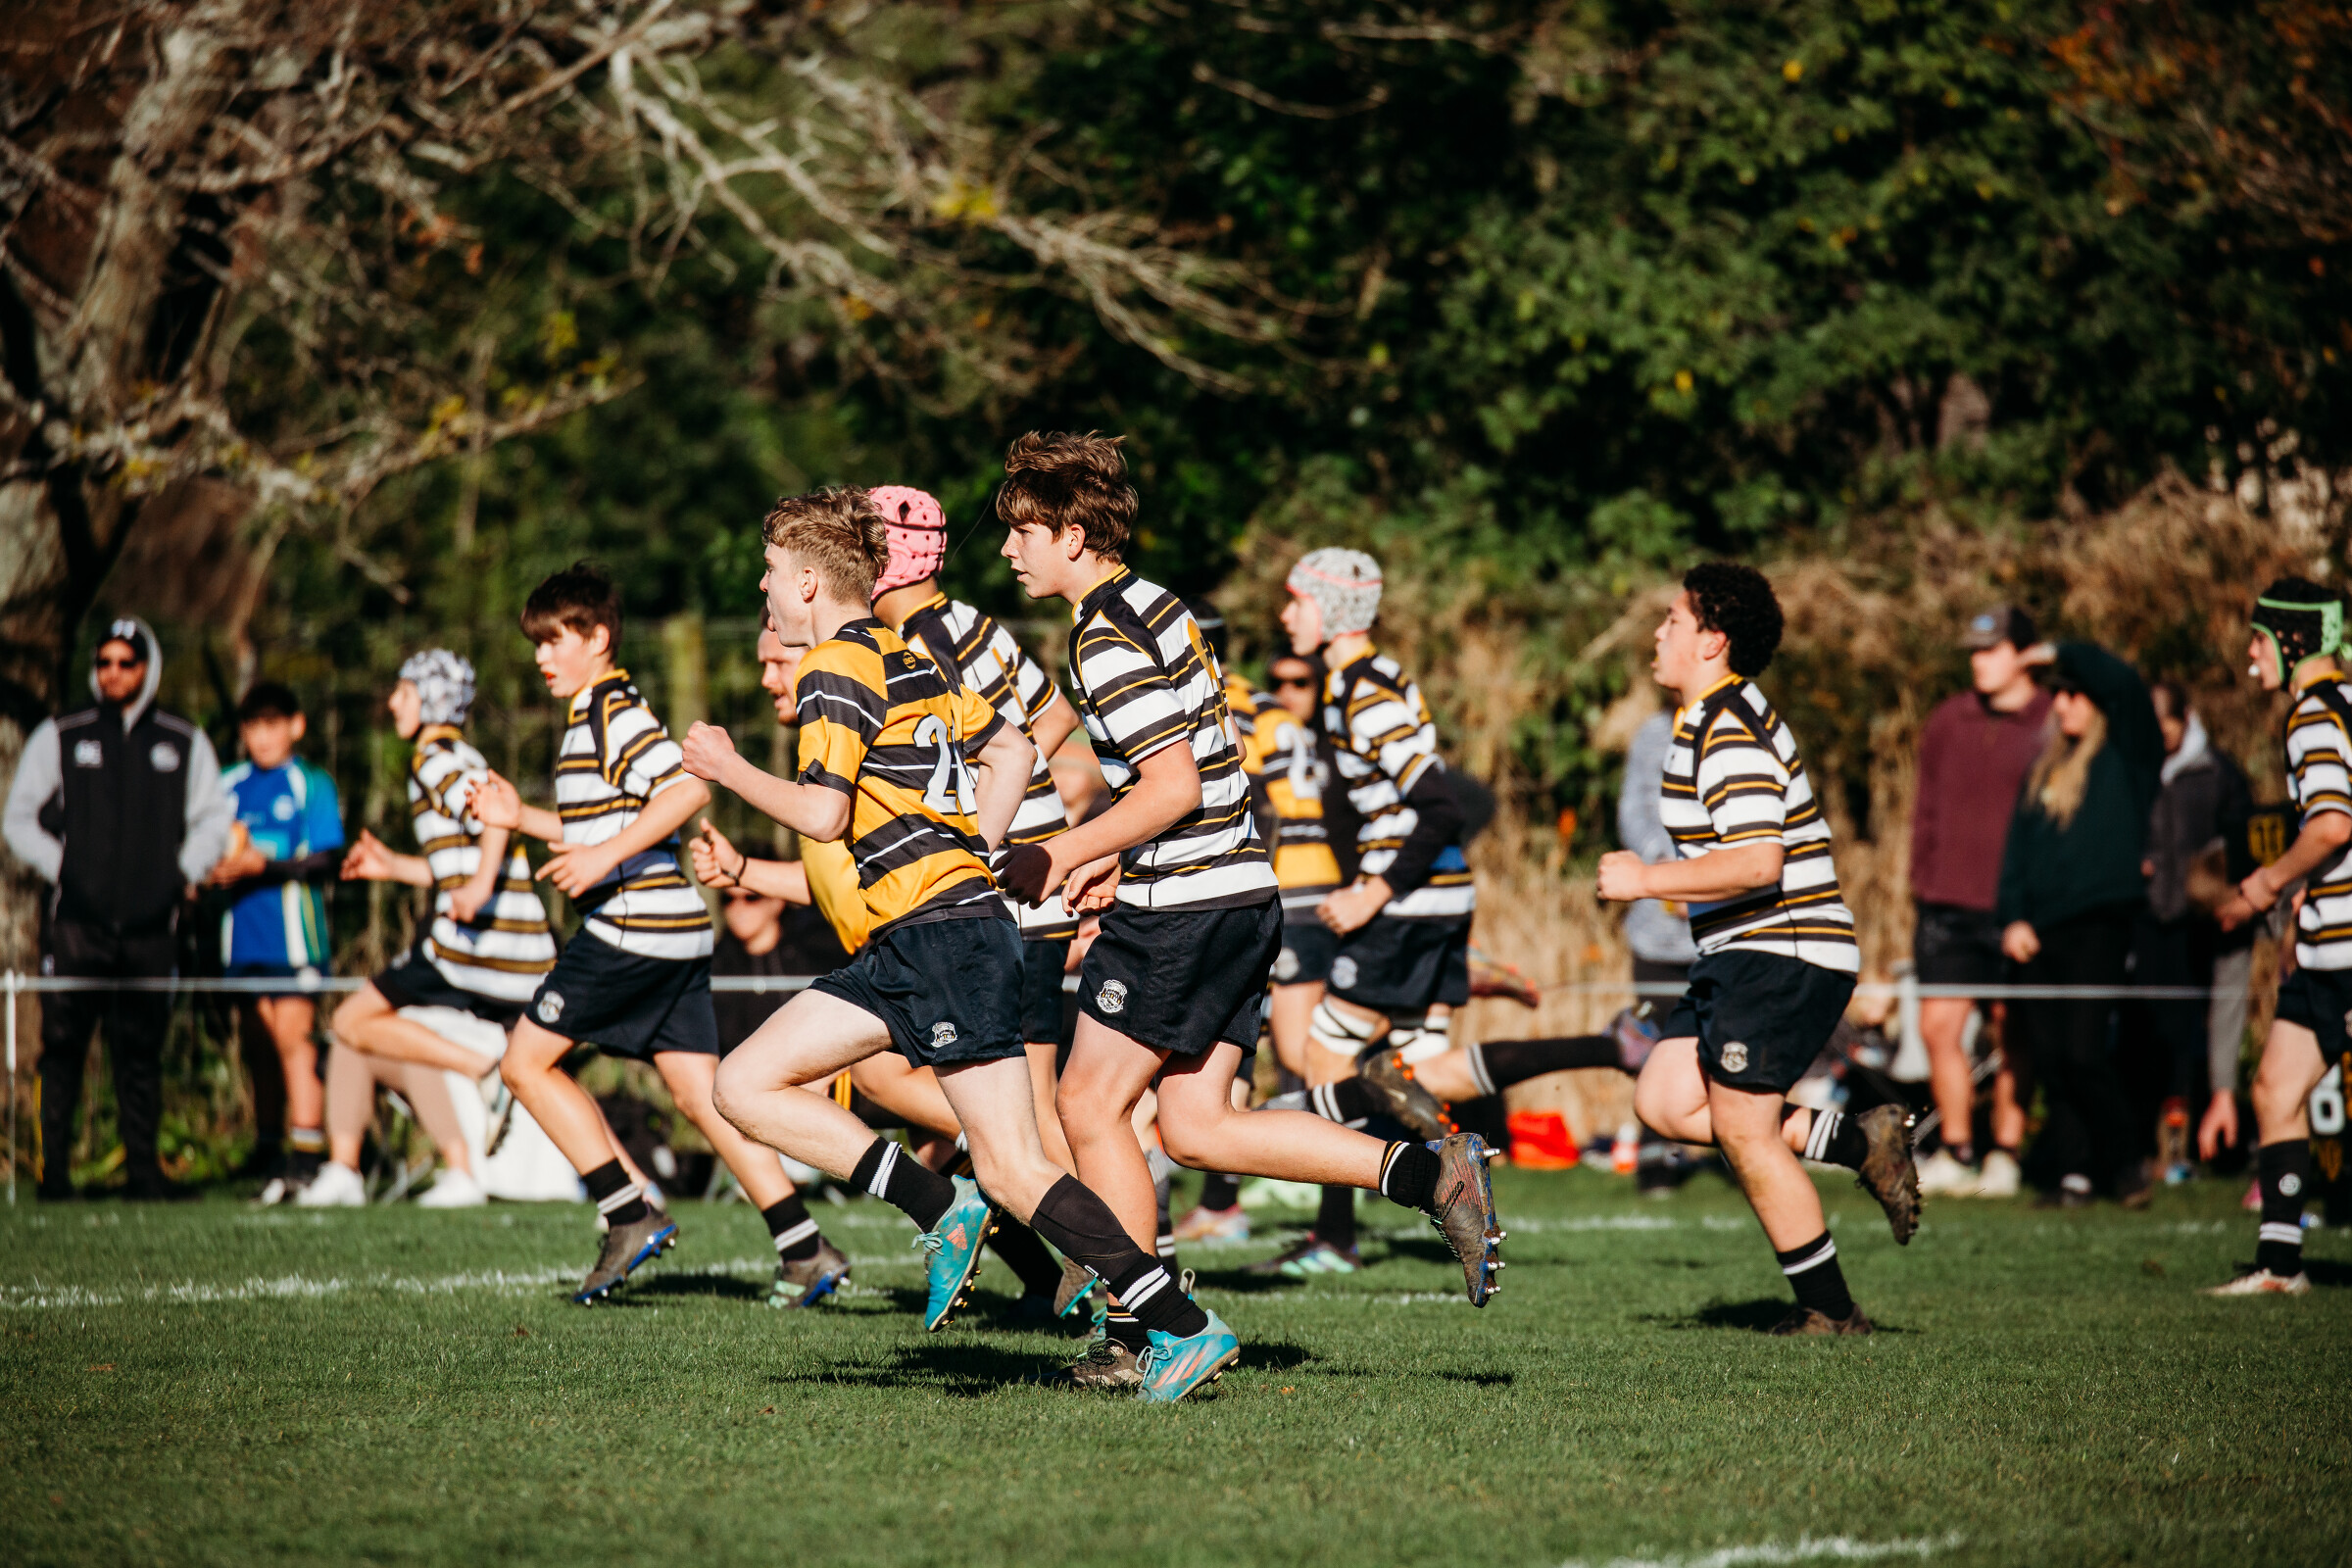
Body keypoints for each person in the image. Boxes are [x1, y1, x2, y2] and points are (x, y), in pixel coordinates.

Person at [697, 485, 1242, 1403]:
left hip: (941, 939)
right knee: (743, 1083)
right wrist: (976, 849)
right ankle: (938, 1203)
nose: (762, 587)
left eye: (770, 571)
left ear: (807, 584)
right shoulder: (906, 655)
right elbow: (1015, 751)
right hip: (924, 934)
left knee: (1016, 1167)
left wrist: (728, 768)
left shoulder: (833, 666)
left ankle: (1182, 1327)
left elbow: (824, 814)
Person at [995, 431, 1502, 1385]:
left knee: (1086, 1103)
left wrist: (1063, 850)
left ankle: (1146, 1331)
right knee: (1197, 1127)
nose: (1009, 550)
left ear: (1072, 535)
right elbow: (1196, 774)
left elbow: (1173, 784)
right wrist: (1121, 859)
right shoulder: (1159, 604)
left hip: (1183, 907)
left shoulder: (1103, 635)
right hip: (1238, 891)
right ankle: (1430, 1173)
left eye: (1022, 532)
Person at [467, 563, 833, 1305]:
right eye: (536, 643)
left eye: (555, 640)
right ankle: (805, 1248)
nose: (541, 657)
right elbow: (599, 825)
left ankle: (626, 1211)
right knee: (701, 1095)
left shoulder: (614, 711)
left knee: (524, 1064)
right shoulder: (591, 716)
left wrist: (603, 857)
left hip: (633, 927)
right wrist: (520, 818)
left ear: (598, 638)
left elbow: (688, 788)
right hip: (674, 932)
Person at [1603, 564, 1917, 1337]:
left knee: (1744, 1130)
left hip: (1784, 947)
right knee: (1663, 1100)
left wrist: (1645, 879)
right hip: (1740, 951)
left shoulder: (1729, 729)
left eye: (1673, 620)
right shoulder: (1705, 720)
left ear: (1712, 640)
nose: (1658, 633)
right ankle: (1860, 1139)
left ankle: (1830, 1311)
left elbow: (1756, 863)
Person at [866, 484, 1086, 1175]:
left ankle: (1112, 1233)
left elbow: (963, 764)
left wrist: (983, 819)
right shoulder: (970, 620)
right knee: (1011, 1101)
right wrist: (1023, 785)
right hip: (1031, 882)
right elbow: (1053, 717)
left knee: (1025, 1108)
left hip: (1006, 890)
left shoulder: (915, 647)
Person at [321, 651, 560, 1209]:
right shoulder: (460, 755)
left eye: (403, 692)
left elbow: (493, 819)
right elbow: (456, 862)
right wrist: (394, 867)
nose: (392, 703)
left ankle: (481, 1071)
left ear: (430, 701)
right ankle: (349, 1170)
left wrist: (477, 888)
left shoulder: (433, 759)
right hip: (508, 952)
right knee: (362, 1030)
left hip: (474, 952)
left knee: (350, 1020)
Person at [4, 617, 231, 1200]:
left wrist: (178, 877)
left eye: (125, 663)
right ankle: (54, 1174)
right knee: (62, 1050)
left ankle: (143, 1173)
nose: (113, 673)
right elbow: (18, 818)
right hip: (76, 927)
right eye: (103, 662)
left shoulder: (182, 739)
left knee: (140, 1052)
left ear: (146, 669)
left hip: (152, 930)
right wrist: (68, 871)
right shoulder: (62, 734)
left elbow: (213, 819)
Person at [2201, 579, 2352, 1295]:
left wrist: (2266, 885)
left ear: (2292, 642)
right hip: (2324, 949)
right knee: (2275, 1088)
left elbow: (2332, 825)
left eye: (2259, 641)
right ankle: (2279, 1267)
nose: (2251, 656)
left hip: (2346, 951)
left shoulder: (2313, 715)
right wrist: (2301, 911)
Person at [1175, 646, 1342, 1245]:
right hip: (1314, 881)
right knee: (1251, 1043)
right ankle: (1222, 1204)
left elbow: (1254, 797)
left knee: (1303, 1055)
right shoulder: (1274, 709)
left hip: (1283, 886)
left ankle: (1377, 1125)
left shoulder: (1230, 700)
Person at [1995, 641, 2164, 1208]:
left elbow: (2128, 686)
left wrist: (2061, 651)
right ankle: (2073, 1173)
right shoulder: (2042, 768)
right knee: (2049, 1057)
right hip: (2039, 933)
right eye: (2058, 695)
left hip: (2099, 924)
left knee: (2084, 1052)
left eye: (2075, 695)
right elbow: (2016, 854)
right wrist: (2013, 918)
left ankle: (2126, 1163)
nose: (2062, 704)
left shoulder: (2128, 755)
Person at [1909, 605, 2053, 1200]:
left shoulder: (2052, 719)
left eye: (1991, 650)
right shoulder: (1949, 719)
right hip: (1946, 901)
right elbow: (1926, 806)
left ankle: (2006, 1153)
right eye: (1973, 651)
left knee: (2012, 1029)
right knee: (1938, 1028)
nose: (1979, 661)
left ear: (2026, 655)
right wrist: (1923, 877)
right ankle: (1958, 1149)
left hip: (2016, 907)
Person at [208, 681, 345, 1202]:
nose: (261, 737)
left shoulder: (311, 783)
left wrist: (262, 867)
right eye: (252, 726)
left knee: (293, 1040)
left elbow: (326, 858)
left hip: (294, 942)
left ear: (296, 726)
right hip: (240, 939)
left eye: (271, 725)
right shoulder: (227, 784)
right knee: (258, 1045)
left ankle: (307, 1152)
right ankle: (267, 1148)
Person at [2132, 680, 2253, 1183]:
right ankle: (2156, 1145)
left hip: (2205, 920)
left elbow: (2244, 838)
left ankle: (2211, 1145)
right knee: (2156, 1034)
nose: (2159, 737)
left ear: (2187, 718)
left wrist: (2226, 889)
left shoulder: (2218, 772)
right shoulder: (2134, 767)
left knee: (2206, 1034)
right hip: (2152, 919)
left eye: (2166, 726)